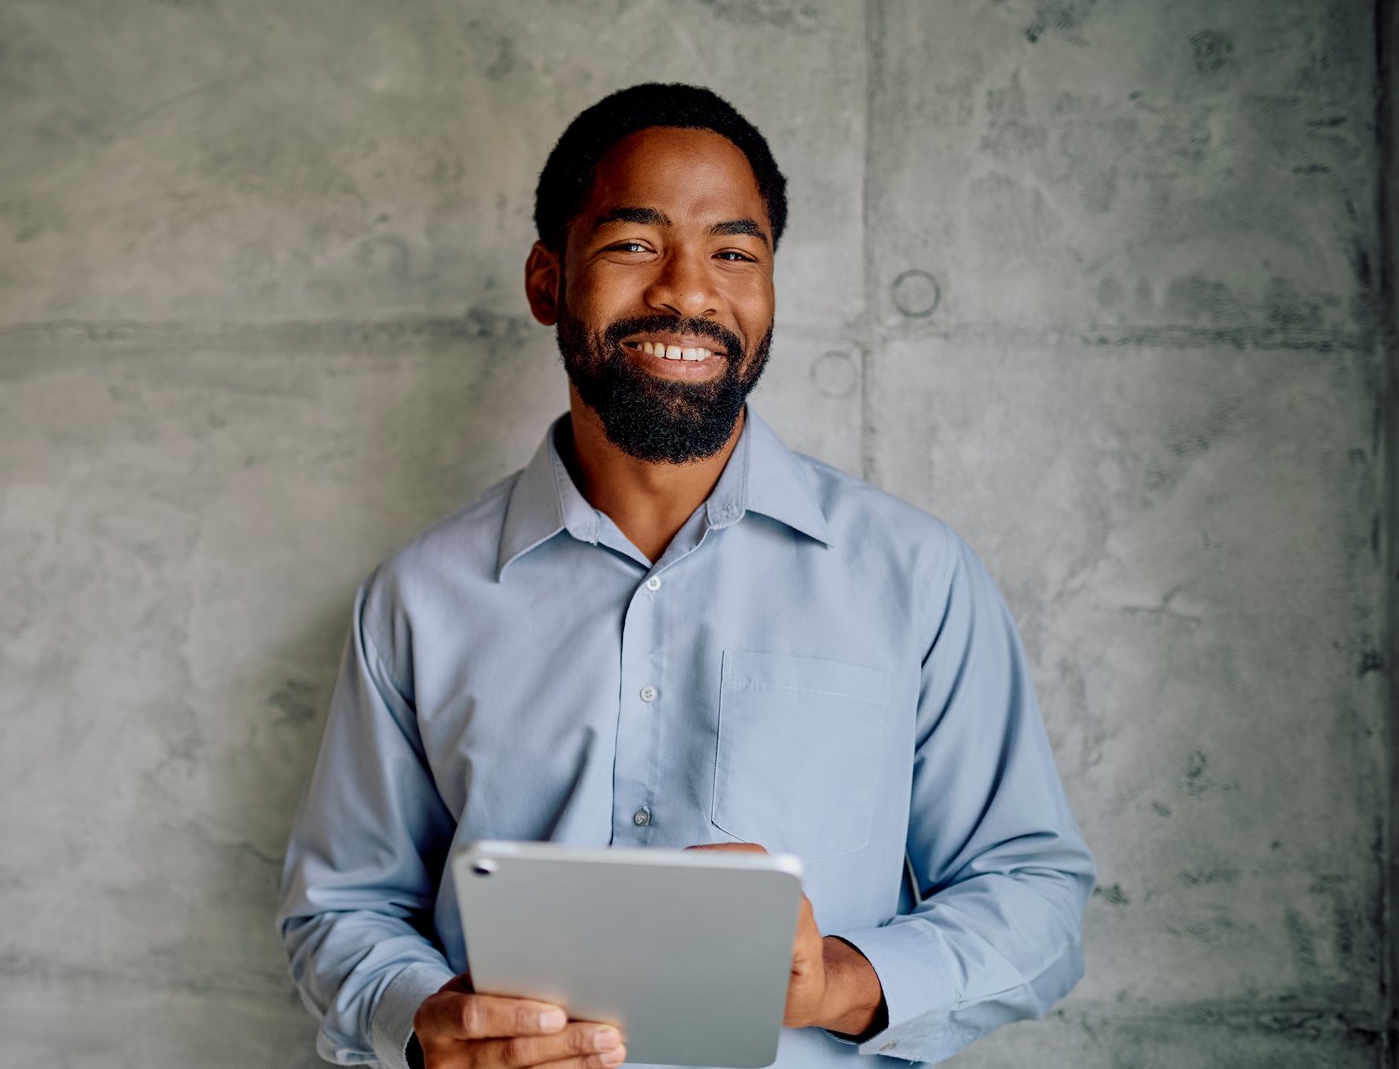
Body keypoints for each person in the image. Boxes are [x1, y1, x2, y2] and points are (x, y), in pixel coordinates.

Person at [276, 83, 1095, 1069]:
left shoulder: (914, 577)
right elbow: (341, 910)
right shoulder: (417, 596)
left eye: (734, 254)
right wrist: (422, 1018)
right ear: (546, 281)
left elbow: (1032, 893)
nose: (687, 291)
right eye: (632, 244)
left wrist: (844, 981)